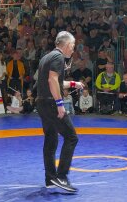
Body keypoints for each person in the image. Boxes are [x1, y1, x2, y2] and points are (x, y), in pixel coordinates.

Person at [36, 31, 84, 192]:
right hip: (51, 103)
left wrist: (72, 83)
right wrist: (59, 103)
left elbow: (53, 80)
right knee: (71, 137)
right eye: (73, 46)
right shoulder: (58, 58)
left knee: (51, 140)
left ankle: (50, 179)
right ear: (66, 44)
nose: (73, 49)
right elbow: (52, 81)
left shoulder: (46, 57)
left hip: (42, 103)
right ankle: (61, 177)